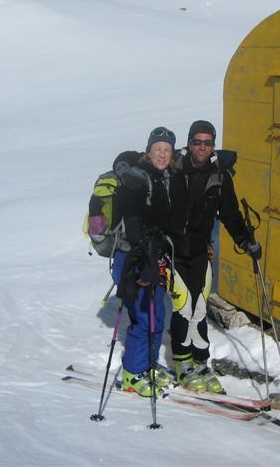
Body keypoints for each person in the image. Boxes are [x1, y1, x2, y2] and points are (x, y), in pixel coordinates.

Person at [170, 120, 261, 393]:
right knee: (183, 307)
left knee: (199, 309)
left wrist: (245, 240)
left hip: (199, 251)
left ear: (213, 145)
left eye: (207, 143)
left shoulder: (220, 175)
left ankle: (200, 363)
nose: (201, 147)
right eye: (196, 142)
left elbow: (230, 213)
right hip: (172, 251)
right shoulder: (172, 170)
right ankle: (182, 364)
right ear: (188, 143)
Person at [113, 127, 186, 397]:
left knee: (157, 315)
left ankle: (147, 365)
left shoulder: (165, 177)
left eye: (167, 150)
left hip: (154, 256)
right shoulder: (137, 179)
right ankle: (133, 374)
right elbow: (132, 224)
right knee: (144, 318)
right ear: (149, 151)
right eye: (158, 149)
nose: (162, 154)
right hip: (134, 257)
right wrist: (145, 255)